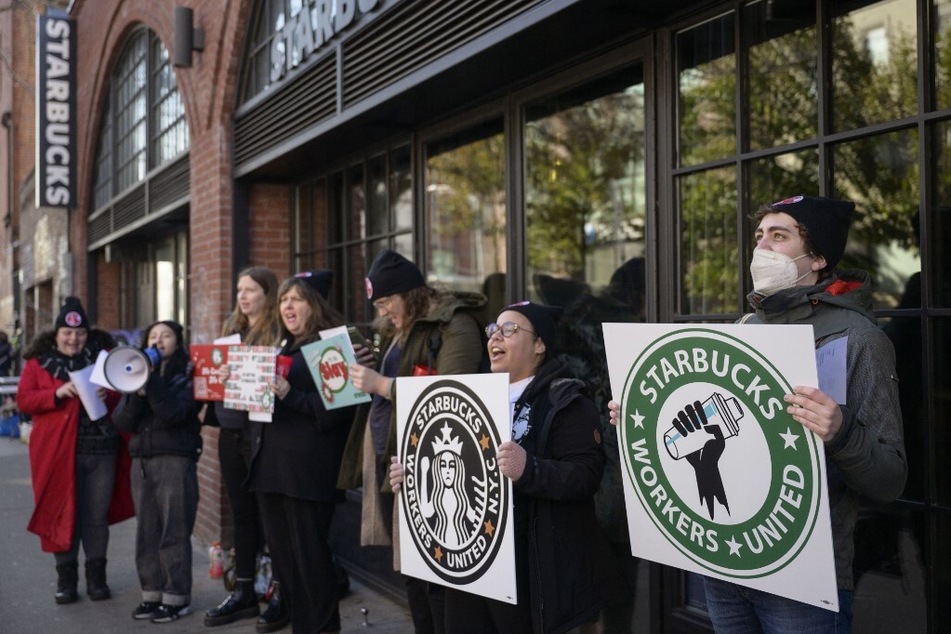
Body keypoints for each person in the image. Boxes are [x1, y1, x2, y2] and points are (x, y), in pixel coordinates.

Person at [609, 195, 906, 631]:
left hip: (804, 578)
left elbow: (890, 481)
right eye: (759, 236)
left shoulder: (860, 339)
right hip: (727, 559)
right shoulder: (746, 329)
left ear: (818, 257)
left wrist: (842, 432)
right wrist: (644, 415)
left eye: (779, 236)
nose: (762, 248)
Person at [390, 301, 616, 633]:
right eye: (493, 329)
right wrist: (413, 477)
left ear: (540, 345)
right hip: (469, 566)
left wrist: (531, 469)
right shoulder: (470, 396)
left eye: (509, 330)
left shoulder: (565, 400)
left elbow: (586, 476)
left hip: (528, 573)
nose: (496, 336)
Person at [342, 249, 486, 634]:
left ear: (410, 293)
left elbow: (455, 395)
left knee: (436, 577)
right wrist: (369, 369)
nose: (383, 312)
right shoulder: (396, 329)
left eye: (387, 302)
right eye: (378, 304)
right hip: (394, 459)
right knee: (410, 569)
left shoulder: (455, 326)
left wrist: (382, 384)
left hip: (437, 465)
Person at [247, 270, 356, 634]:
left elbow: (339, 411)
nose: (287, 306)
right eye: (283, 300)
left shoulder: (330, 345)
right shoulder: (283, 347)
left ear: (316, 305)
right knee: (286, 564)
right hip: (273, 470)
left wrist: (288, 395)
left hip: (308, 475)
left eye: (297, 299)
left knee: (311, 563)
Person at [17, 296, 134, 605]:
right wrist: (56, 393)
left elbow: (125, 393)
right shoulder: (37, 363)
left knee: (95, 516)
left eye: (80, 333)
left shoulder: (105, 359)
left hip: (102, 451)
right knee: (60, 514)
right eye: (67, 333)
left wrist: (107, 393)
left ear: (88, 334)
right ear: (56, 335)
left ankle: (97, 579)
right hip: (56, 454)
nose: (74, 338)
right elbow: (24, 401)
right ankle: (66, 581)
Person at [204, 267, 283, 630]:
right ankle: (245, 590)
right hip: (232, 432)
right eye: (239, 289)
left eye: (251, 289)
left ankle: (281, 589)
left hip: (263, 434)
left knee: (271, 514)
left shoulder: (277, 331)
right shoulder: (229, 332)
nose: (243, 296)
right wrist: (216, 378)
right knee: (241, 514)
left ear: (268, 294)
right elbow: (212, 385)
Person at [113, 320, 203, 623]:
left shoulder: (189, 373)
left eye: (166, 335)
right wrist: (137, 393)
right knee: (146, 531)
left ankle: (177, 597)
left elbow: (174, 414)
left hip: (175, 459)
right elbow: (123, 422)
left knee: (173, 529)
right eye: (153, 335)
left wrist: (150, 384)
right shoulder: (134, 372)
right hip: (142, 460)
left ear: (177, 341)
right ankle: (151, 594)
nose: (158, 340)